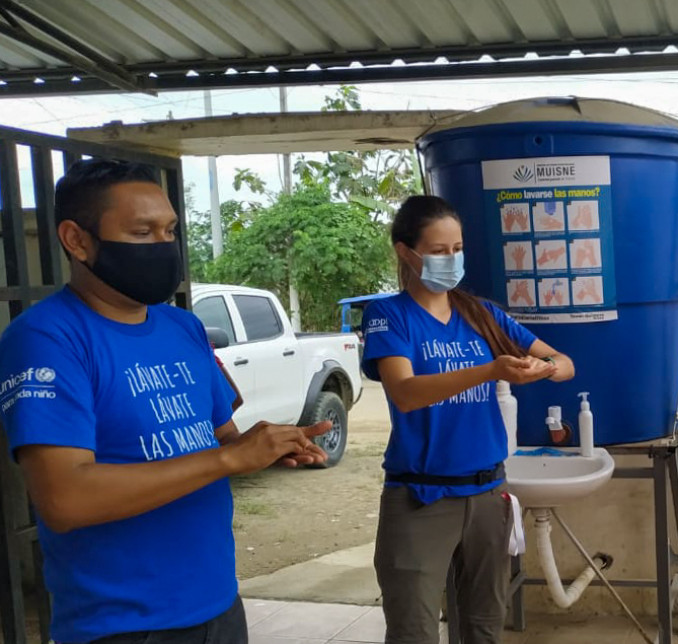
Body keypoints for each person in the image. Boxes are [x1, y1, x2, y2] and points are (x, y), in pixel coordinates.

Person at [0, 159, 331, 644]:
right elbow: (64, 498)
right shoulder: (47, 338)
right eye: (142, 232)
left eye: (170, 229)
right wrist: (226, 459)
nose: (163, 245)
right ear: (77, 240)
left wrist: (268, 450)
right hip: (122, 626)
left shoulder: (183, 327)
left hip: (217, 604)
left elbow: (219, 437)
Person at [362, 195, 576, 644]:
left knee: (483, 627)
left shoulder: (481, 314)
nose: (452, 259)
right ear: (406, 252)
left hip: (486, 495)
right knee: (413, 630)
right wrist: (493, 370)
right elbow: (405, 392)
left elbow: (564, 362)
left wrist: (546, 367)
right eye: (439, 251)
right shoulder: (389, 315)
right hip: (420, 497)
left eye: (457, 248)